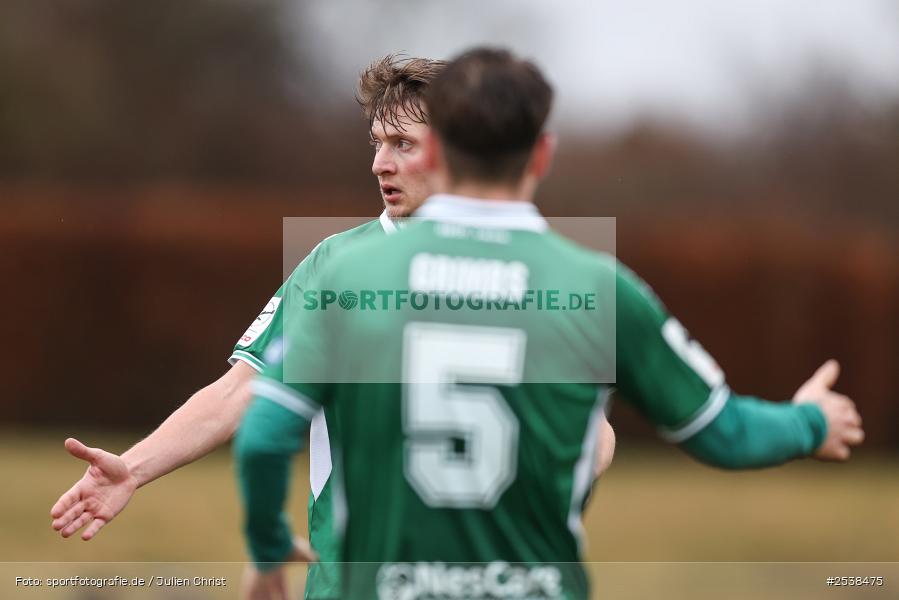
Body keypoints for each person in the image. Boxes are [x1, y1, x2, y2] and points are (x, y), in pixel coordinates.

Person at [234, 47, 865, 600]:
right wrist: (811, 421)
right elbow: (724, 432)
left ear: (443, 152)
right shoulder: (597, 288)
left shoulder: (351, 276)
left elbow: (263, 435)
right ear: (542, 153)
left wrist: (267, 549)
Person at [49, 55, 617, 600]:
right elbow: (239, 392)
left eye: (402, 144)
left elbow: (593, 435)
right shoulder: (335, 268)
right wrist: (133, 470)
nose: (379, 163)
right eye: (376, 143)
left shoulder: (529, 272)